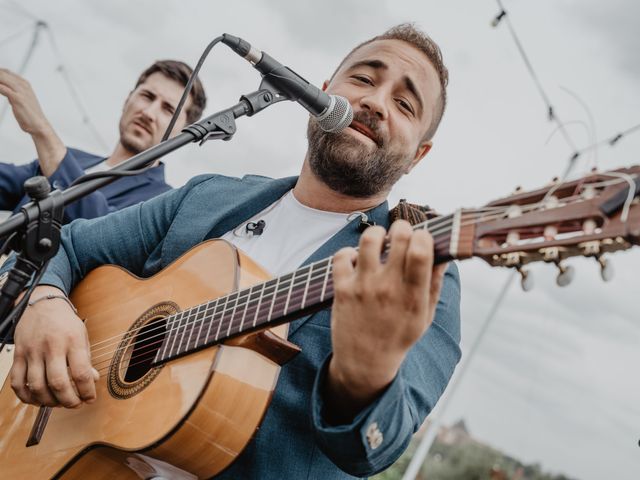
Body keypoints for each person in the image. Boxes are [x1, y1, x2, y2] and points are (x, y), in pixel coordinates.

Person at [3, 24, 461, 479]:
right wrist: (43, 300)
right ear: (321, 94)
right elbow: (69, 242)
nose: (375, 102)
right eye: (362, 79)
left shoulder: (418, 265)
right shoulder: (206, 195)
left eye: (404, 104)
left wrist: (366, 375)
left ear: (418, 154)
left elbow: (377, 448)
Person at [0, 60, 207, 222]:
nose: (149, 113)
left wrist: (42, 131)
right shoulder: (72, 158)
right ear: (128, 99)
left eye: (168, 109)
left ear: (182, 133)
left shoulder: (162, 203)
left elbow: (100, 230)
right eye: (147, 96)